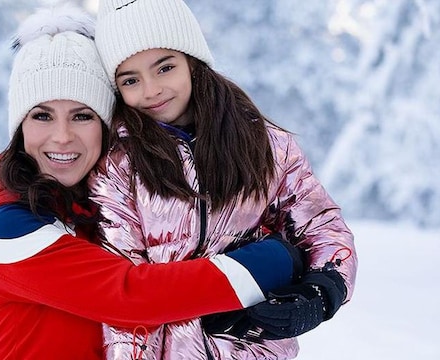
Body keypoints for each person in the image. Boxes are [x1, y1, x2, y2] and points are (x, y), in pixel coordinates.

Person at [0, 5, 304, 360]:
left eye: (82, 116)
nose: (61, 137)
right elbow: (132, 297)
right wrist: (270, 261)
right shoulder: (11, 227)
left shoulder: (104, 203)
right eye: (42, 115)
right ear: (19, 128)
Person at [90, 0, 358, 359]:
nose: (151, 89)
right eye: (131, 80)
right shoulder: (118, 163)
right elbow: (123, 292)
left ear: (192, 62)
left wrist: (323, 291)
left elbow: (321, 225)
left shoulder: (265, 144)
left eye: (165, 67)